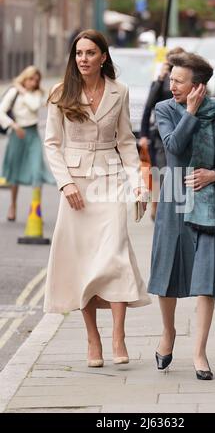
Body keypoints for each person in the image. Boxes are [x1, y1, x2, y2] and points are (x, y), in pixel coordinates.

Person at [44, 29, 151, 368]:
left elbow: (126, 142)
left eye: (90, 52)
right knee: (83, 264)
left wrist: (139, 183)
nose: (84, 59)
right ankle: (93, 338)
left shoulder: (120, 91)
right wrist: (65, 184)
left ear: (103, 56)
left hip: (110, 182)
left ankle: (118, 335)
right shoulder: (60, 92)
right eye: (79, 53)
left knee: (114, 256)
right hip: (76, 187)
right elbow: (51, 143)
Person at [147, 52, 215, 379]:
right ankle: (168, 333)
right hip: (175, 198)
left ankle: (199, 352)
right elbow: (174, 148)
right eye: (171, 79)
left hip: (210, 203)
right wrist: (189, 112)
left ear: (198, 86)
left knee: (206, 279)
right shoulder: (164, 109)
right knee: (168, 276)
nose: (171, 84)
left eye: (179, 80)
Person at [0, 65, 54, 221]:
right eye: (30, 79)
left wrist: (24, 91)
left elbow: (34, 106)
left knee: (37, 171)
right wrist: (13, 125)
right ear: (25, 77)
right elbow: (1, 111)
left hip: (32, 134)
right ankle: (13, 205)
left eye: (36, 80)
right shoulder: (13, 92)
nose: (33, 82)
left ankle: (35, 208)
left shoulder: (36, 94)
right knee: (14, 172)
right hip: (17, 135)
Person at [139, 47, 185, 220]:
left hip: (180, 128)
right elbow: (148, 107)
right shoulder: (161, 81)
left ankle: (173, 207)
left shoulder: (185, 79)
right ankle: (157, 207)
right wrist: (159, 79)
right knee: (160, 172)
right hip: (160, 133)